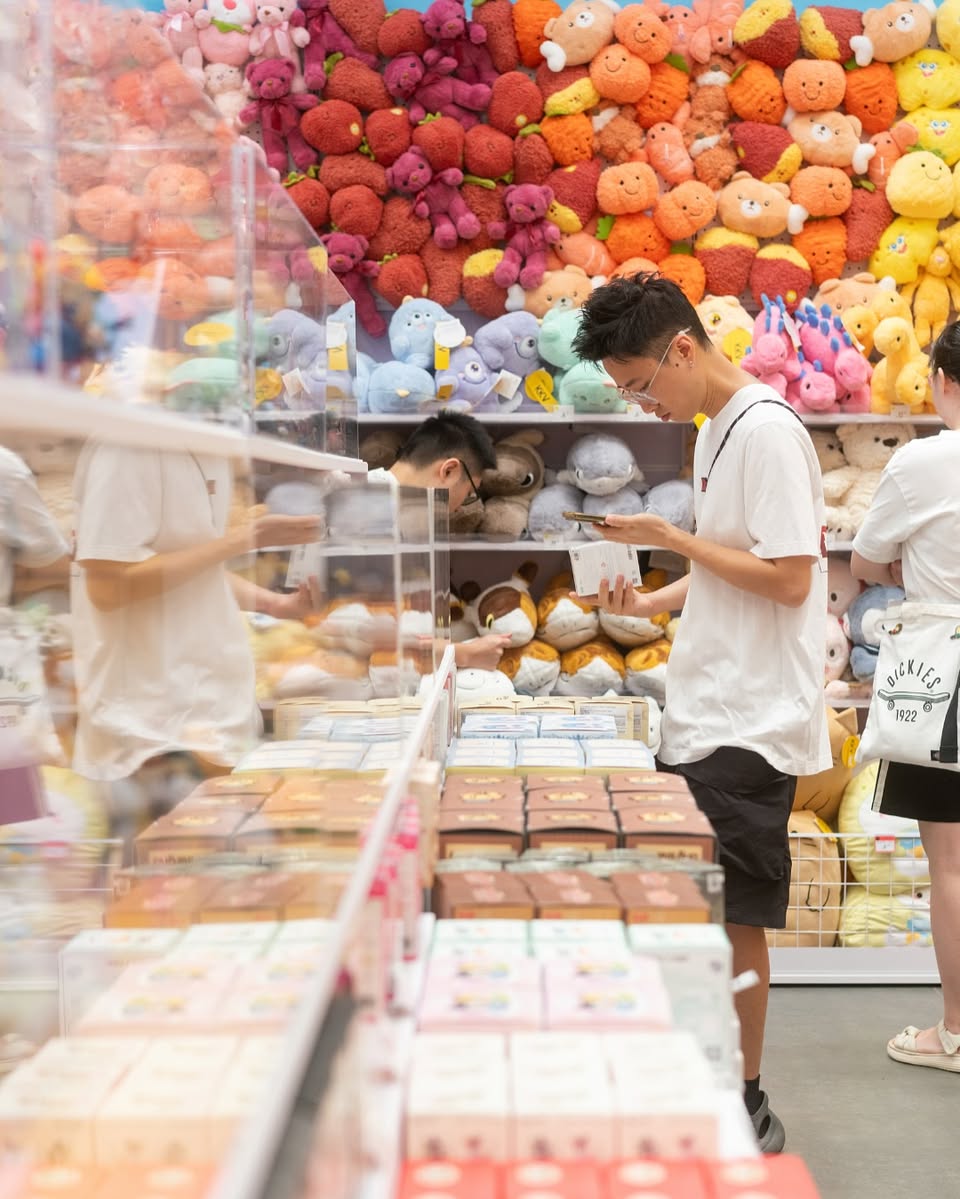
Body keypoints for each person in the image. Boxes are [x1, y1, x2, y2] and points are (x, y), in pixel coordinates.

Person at [571, 274, 831, 1151]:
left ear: (682, 348)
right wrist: (656, 601)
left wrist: (674, 538)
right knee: (701, 905)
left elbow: (791, 576)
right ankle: (708, 1072)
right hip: (709, 703)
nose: (643, 403)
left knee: (732, 915)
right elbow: (738, 559)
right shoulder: (715, 428)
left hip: (750, 717)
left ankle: (744, 1095)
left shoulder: (766, 431)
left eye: (642, 384)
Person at [71, 442, 322, 782]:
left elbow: (189, 563)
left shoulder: (204, 443)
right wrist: (243, 540)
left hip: (211, 719)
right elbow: (108, 587)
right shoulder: (125, 449)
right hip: (150, 734)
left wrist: (274, 604)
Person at [851, 322, 960, 1072]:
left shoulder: (923, 460)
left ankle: (955, 1030)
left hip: (943, 674)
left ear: (944, 381)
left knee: (951, 861)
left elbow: (863, 560)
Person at [368, 411, 510, 673]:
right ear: (449, 470)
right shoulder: (368, 515)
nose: (458, 509)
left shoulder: (398, 513)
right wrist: (462, 654)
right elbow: (361, 635)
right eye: (468, 494)